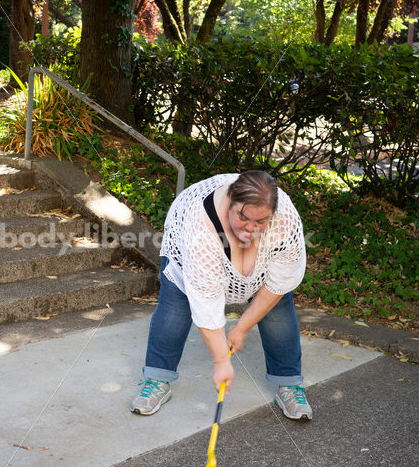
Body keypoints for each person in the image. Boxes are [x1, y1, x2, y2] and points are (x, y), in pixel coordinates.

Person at [130, 170, 312, 421]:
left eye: (261, 222)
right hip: (194, 243)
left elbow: (278, 283)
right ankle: (157, 379)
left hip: (257, 263)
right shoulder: (199, 223)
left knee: (278, 311)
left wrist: (242, 328)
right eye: (243, 218)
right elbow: (206, 300)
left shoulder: (285, 218)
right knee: (176, 306)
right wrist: (220, 361)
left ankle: (289, 384)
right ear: (230, 201)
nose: (251, 229)